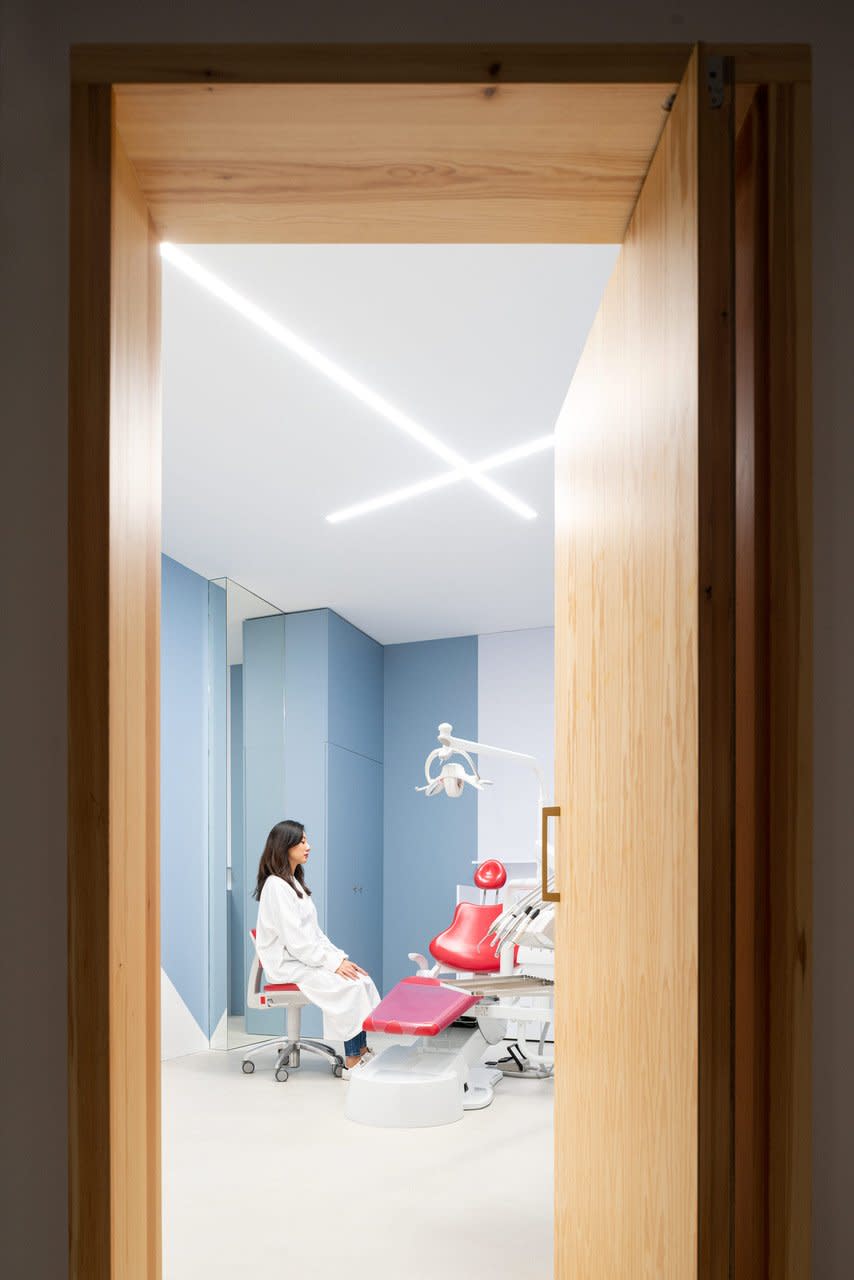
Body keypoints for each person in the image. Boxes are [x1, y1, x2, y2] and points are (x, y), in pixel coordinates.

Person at [252, 819, 380, 1074]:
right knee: (349, 987)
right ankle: (353, 1061)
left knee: (360, 980)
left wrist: (339, 959)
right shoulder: (276, 886)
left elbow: (315, 934)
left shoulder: (293, 882)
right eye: (302, 842)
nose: (308, 846)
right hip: (288, 965)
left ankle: (363, 1050)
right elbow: (297, 942)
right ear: (285, 846)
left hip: (301, 959)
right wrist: (333, 965)